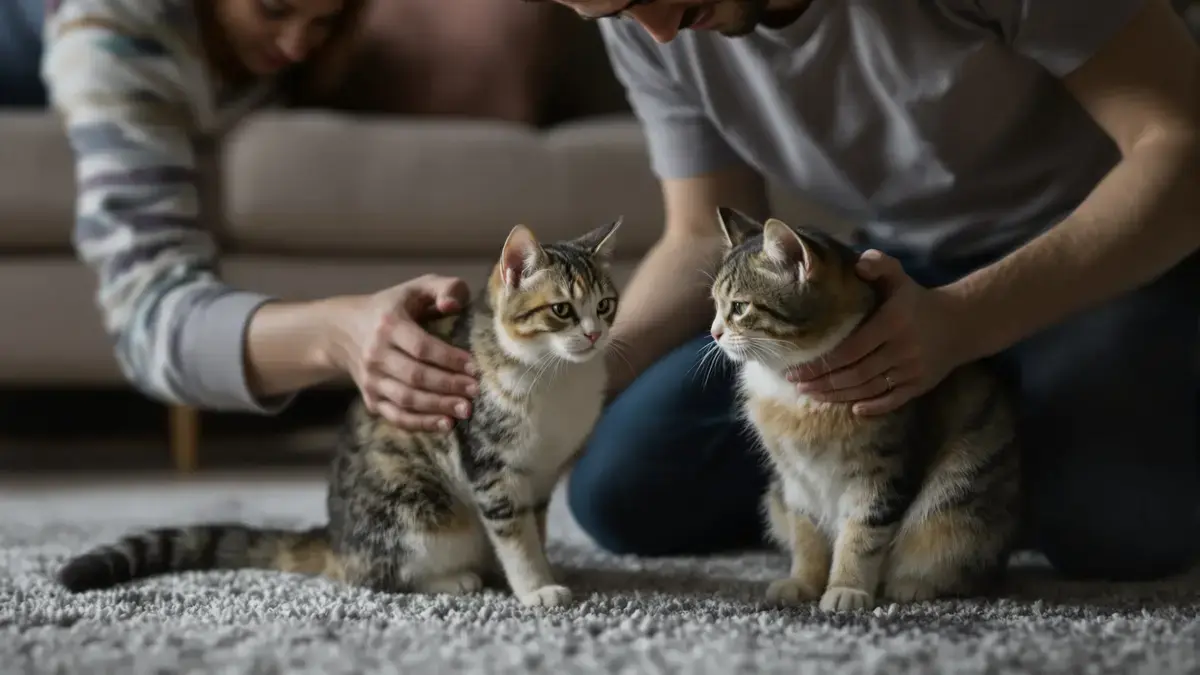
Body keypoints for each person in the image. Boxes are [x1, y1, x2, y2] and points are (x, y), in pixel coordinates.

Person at [541, 0, 1200, 582]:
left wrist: (964, 321)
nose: (658, 32)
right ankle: (932, 455)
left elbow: (1183, 144)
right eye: (613, 13)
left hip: (1099, 252)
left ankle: (991, 461)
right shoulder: (651, 23)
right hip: (886, 267)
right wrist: (563, 376)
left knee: (1121, 528)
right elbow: (703, 234)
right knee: (618, 493)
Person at [34, 0, 484, 432]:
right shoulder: (114, 29)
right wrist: (337, 332)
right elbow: (146, 320)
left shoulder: (321, 49)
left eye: (322, 21)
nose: (294, 46)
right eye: (273, 9)